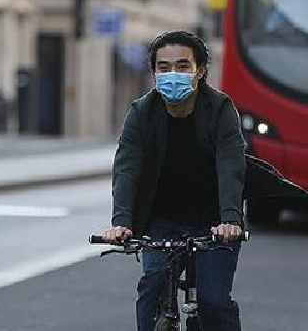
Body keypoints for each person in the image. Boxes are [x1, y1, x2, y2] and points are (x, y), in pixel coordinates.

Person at [100, 30, 246, 331]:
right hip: (161, 222)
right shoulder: (141, 112)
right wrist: (121, 222)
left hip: (214, 221)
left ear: (200, 70)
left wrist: (230, 220)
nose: (172, 75)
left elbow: (231, 165)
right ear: (154, 72)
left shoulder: (220, 109)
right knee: (151, 289)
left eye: (182, 66)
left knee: (213, 302)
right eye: (164, 68)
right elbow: (127, 168)